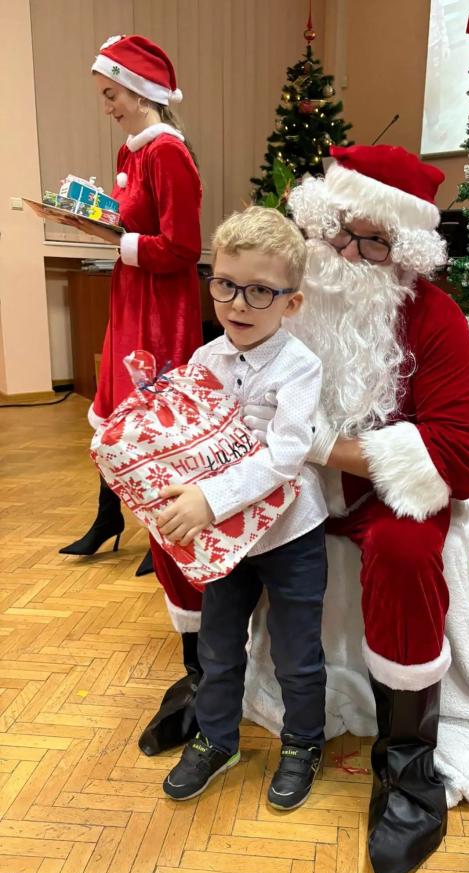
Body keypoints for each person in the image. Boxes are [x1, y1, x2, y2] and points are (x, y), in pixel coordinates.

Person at [243, 145, 469, 873]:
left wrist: (323, 446)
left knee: (404, 549)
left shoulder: (433, 317)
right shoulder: (286, 292)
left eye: (374, 241)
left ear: (404, 249)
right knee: (199, 512)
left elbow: (463, 456)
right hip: (289, 480)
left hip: (383, 492)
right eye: (339, 231)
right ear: (317, 221)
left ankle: (408, 763)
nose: (348, 253)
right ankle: (208, 683)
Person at [59, 34, 206, 745]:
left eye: (111, 93)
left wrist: (114, 241)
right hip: (131, 297)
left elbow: (182, 247)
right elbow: (132, 221)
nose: (107, 106)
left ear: (141, 90)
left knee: (152, 426)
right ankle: (118, 520)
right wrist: (91, 220)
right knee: (115, 417)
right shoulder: (132, 152)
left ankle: (163, 534)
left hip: (160, 308)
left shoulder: (170, 152)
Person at [160, 207, 329, 809]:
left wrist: (211, 497)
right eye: (225, 284)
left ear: (292, 302)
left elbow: (287, 456)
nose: (237, 303)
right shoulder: (204, 360)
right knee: (217, 644)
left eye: (260, 290)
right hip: (225, 541)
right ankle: (216, 738)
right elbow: (188, 438)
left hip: (290, 536)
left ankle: (303, 744)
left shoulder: (300, 366)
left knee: (296, 652)